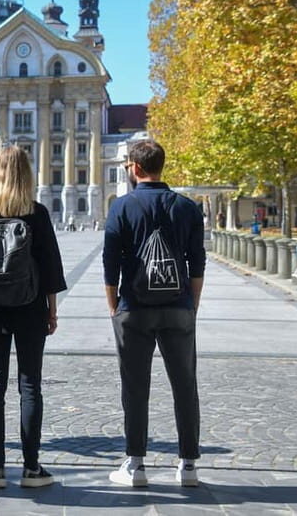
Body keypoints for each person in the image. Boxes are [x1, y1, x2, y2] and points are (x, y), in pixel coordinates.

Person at [103, 140, 205, 488]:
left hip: (134, 307)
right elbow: (197, 261)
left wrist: (113, 304)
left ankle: (136, 465)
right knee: (184, 384)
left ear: (134, 168)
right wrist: (192, 302)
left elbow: (110, 261)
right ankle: (188, 465)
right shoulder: (187, 207)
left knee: (135, 386)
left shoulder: (122, 207)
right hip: (178, 307)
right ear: (161, 166)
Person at [0, 146, 67, 489]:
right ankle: (31, 468)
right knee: (29, 386)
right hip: (29, 307)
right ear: (27, 174)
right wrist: (51, 309)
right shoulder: (36, 213)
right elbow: (51, 267)